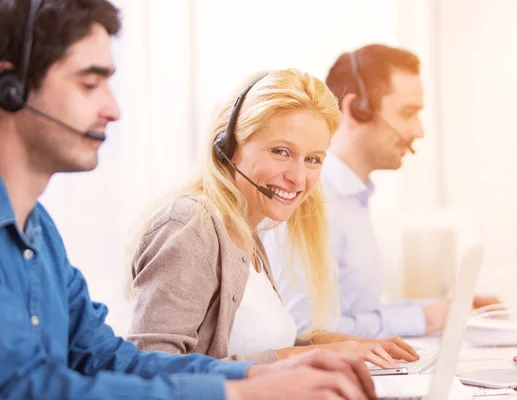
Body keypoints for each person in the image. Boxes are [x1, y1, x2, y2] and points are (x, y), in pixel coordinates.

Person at [0, 1, 378, 399]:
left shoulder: (40, 235)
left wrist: (260, 375)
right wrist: (240, 393)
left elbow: (110, 358)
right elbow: (24, 388)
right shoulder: (189, 224)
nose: (112, 109)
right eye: (89, 84)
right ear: (11, 89)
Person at [125, 68, 419, 368]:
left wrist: (340, 345)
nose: (298, 177)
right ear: (228, 147)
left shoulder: (248, 232)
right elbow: (152, 371)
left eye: (313, 159)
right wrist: (304, 355)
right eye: (281, 152)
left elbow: (261, 346)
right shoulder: (189, 227)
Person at [261, 44, 500, 338]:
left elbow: (354, 312)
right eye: (408, 113)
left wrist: (444, 308)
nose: (419, 131)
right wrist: (423, 319)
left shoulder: (352, 197)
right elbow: (306, 329)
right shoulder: (309, 197)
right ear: (357, 109)